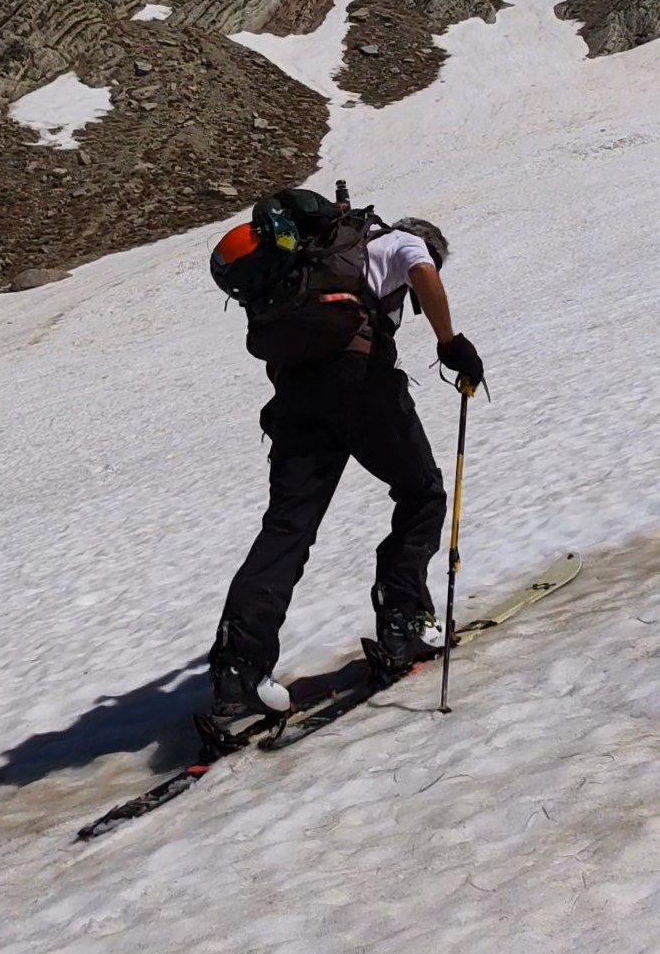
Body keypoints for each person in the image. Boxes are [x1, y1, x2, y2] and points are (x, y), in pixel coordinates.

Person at [197, 211, 487, 755]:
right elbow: (422, 270)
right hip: (361, 384)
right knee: (422, 494)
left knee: (287, 528)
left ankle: (239, 671)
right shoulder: (403, 244)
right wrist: (450, 342)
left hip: (297, 399)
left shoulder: (315, 264)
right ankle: (403, 619)